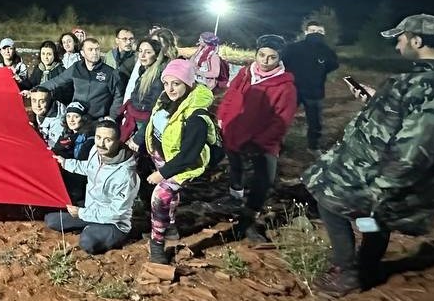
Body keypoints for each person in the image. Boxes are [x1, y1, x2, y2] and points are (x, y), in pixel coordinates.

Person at [304, 14, 434, 296]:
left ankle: (349, 272)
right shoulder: (429, 77)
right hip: (376, 166)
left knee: (331, 203)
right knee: (374, 221)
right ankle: (364, 266)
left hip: (383, 173)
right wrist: (376, 99)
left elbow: (419, 145)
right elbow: (408, 116)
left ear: (416, 41)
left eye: (400, 39)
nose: (397, 46)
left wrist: (383, 186)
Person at [216, 34, 297, 243]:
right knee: (235, 166)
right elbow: (230, 97)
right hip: (235, 131)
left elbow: (281, 120)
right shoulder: (245, 73)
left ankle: (249, 218)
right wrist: (222, 118)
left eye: (271, 57)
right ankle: (235, 196)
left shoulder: (285, 86)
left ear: (279, 58)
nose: (265, 60)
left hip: (263, 142)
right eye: (261, 55)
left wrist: (260, 142)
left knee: (263, 180)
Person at [143, 59, 220, 264]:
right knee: (171, 195)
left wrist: (163, 173)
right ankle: (170, 227)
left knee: (161, 196)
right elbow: (155, 121)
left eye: (176, 83)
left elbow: (188, 155)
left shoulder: (196, 116)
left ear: (188, 83)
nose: (170, 88)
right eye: (166, 83)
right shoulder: (166, 98)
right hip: (164, 157)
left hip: (183, 165)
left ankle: (157, 244)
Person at [47, 118, 139, 255]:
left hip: (114, 223)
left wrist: (81, 213)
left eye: (108, 140)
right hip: (91, 209)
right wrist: (66, 163)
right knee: (51, 220)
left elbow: (116, 213)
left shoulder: (126, 175)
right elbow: (90, 168)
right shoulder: (96, 150)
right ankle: (91, 227)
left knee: (87, 242)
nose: (101, 143)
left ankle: (102, 233)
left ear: (118, 141)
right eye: (98, 137)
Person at [29, 38, 124, 121]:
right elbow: (57, 81)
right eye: (90, 49)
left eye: (97, 49)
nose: (94, 53)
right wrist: (35, 90)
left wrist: (112, 117)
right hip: (76, 117)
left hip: (97, 119)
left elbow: (118, 97)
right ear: (82, 53)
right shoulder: (76, 68)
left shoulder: (110, 72)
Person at [282, 21, 341, 153]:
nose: (316, 34)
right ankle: (276, 145)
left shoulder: (327, 51)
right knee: (283, 118)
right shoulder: (293, 47)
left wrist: (319, 72)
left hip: (315, 91)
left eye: (319, 31)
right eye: (313, 30)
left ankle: (313, 147)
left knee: (315, 122)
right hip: (292, 90)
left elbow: (333, 65)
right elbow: (282, 62)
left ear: (324, 33)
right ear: (306, 32)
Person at [119, 37, 179, 153]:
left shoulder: (158, 79)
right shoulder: (144, 70)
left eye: (148, 52)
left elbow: (155, 111)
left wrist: (138, 138)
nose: (142, 55)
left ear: (157, 55)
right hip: (135, 121)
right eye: (140, 51)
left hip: (144, 126)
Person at [51, 102, 95, 204]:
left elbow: (82, 161)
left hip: (81, 183)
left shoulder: (90, 137)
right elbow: (56, 149)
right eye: (68, 116)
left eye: (76, 116)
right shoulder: (67, 134)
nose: (71, 120)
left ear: (83, 118)